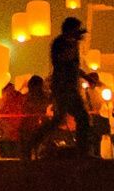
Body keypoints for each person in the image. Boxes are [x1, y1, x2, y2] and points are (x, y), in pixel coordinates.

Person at [33, 17, 91, 156]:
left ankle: (33, 141)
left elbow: (74, 67)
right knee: (81, 117)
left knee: (60, 119)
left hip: (68, 86)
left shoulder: (70, 43)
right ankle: (82, 151)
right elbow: (64, 62)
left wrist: (87, 77)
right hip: (63, 87)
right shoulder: (60, 43)